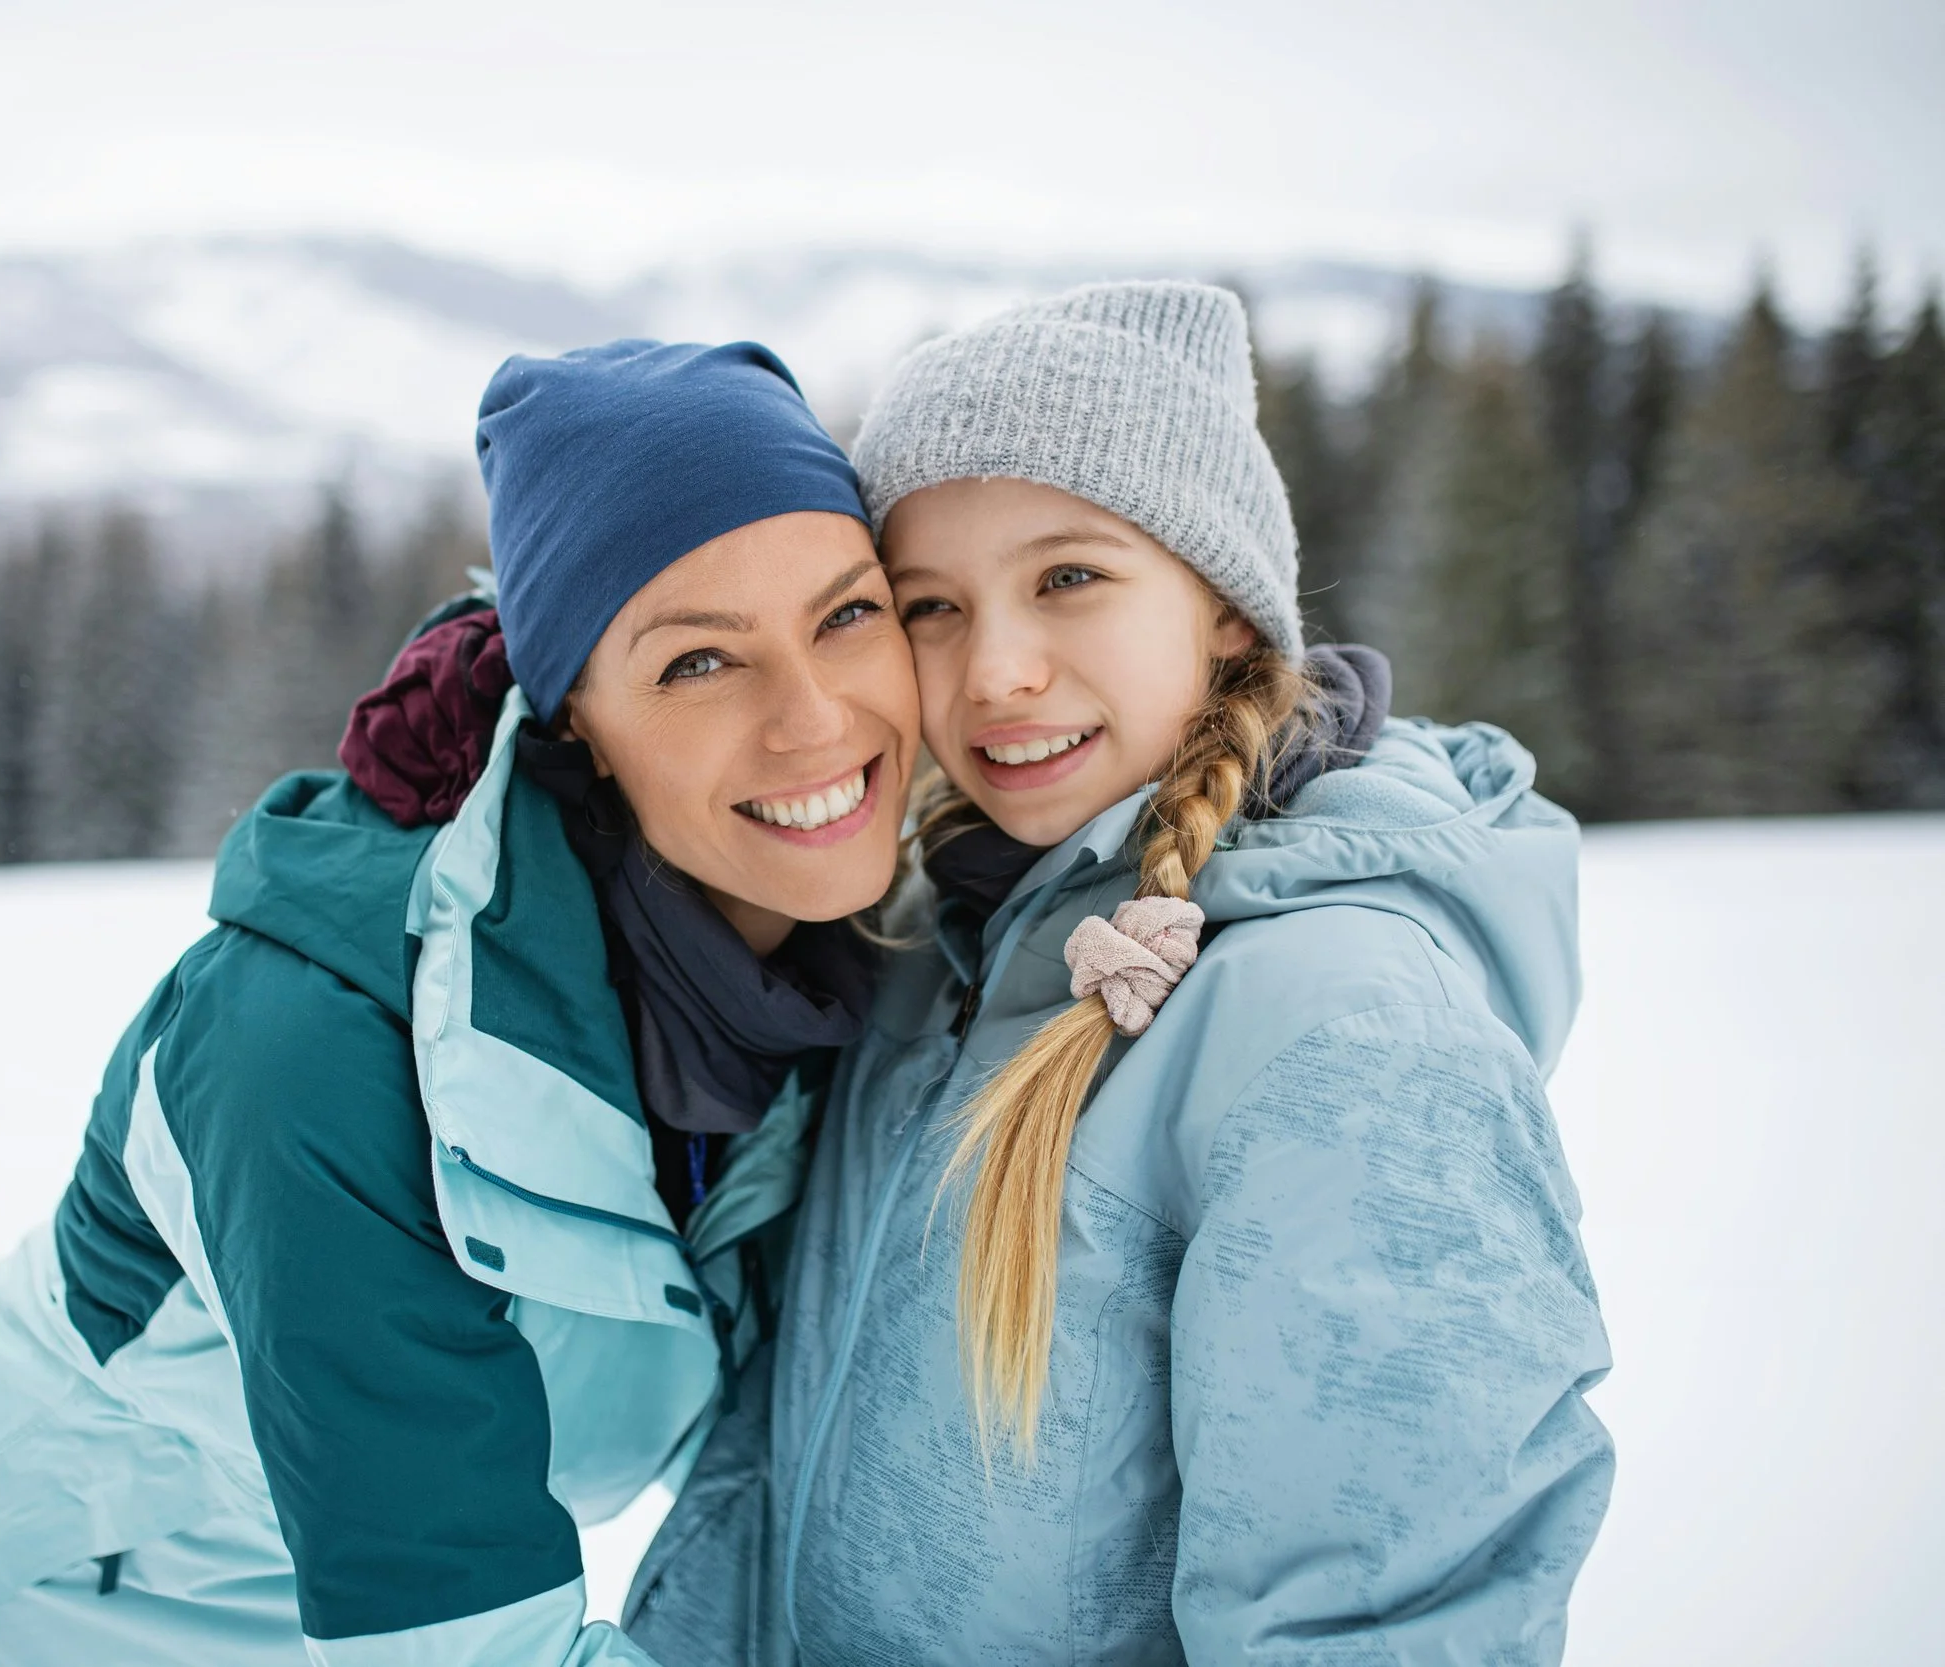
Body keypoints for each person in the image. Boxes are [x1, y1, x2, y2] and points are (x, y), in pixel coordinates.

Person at [0, 338, 922, 1666]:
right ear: (571, 726)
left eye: (848, 614)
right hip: (16, 1620)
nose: (817, 717)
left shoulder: (816, 966)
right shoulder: (320, 1053)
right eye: (698, 664)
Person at [626, 282, 1614, 1663]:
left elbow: (1381, 1622)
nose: (998, 671)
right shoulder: (934, 955)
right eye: (931, 606)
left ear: (1222, 609)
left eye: (1069, 577)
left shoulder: (1343, 1030)